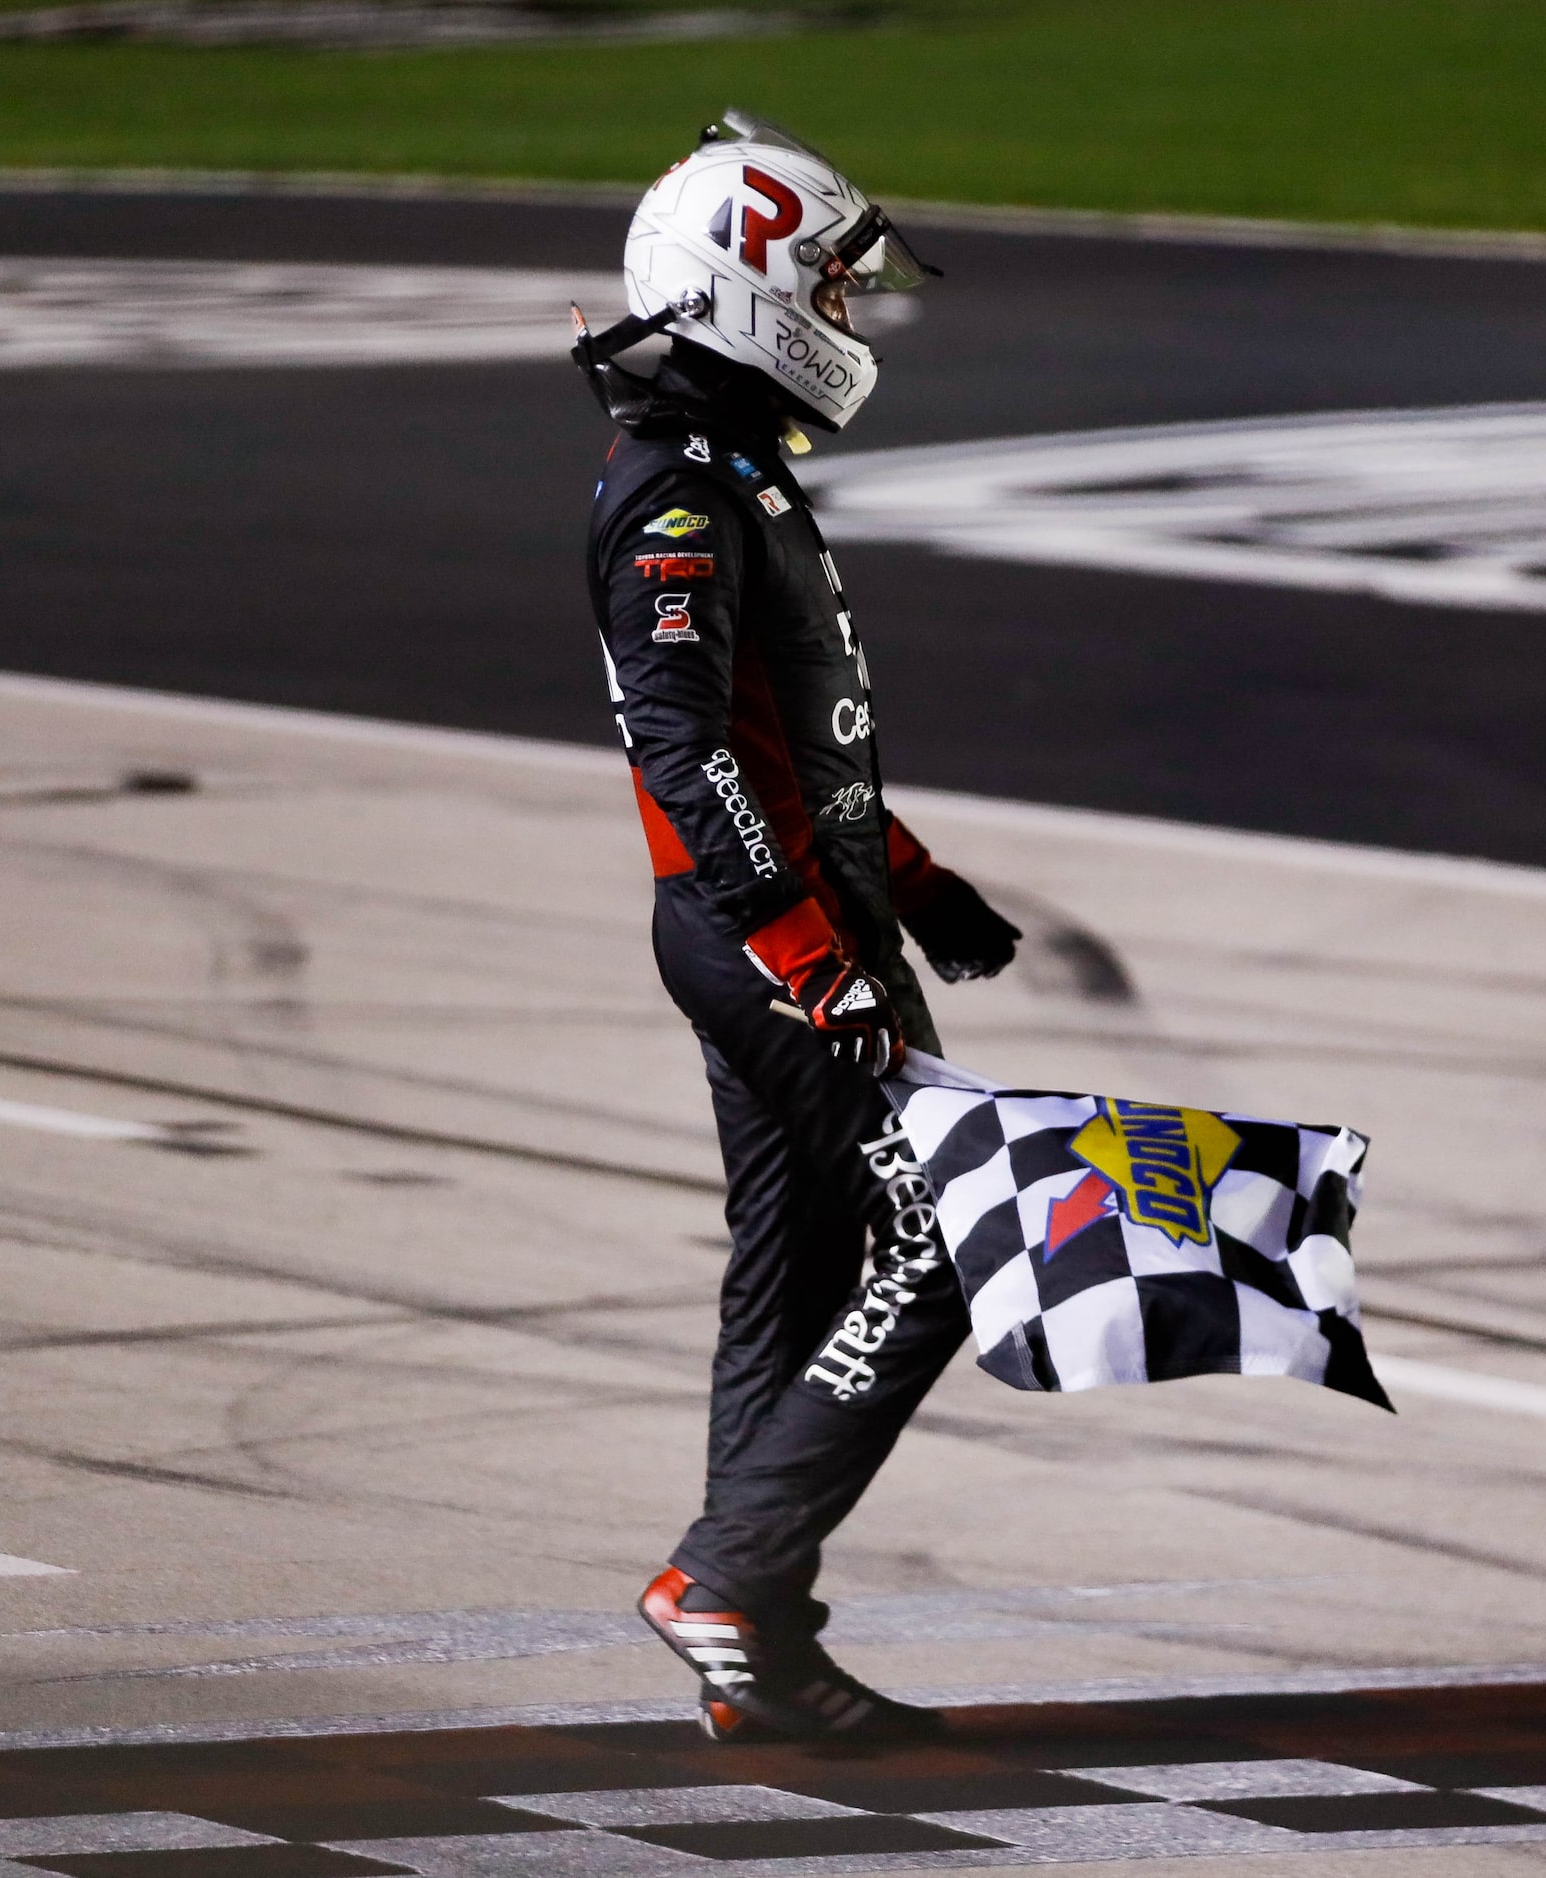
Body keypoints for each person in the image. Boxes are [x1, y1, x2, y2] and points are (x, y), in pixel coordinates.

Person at [578, 111, 1022, 1743]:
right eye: (829, 289)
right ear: (746, 288)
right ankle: (724, 1572)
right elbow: (684, 753)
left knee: (795, 1265)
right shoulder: (677, 498)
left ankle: (751, 1648)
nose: (849, 317)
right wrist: (810, 952)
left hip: (788, 919)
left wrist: (916, 890)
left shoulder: (731, 464)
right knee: (955, 1235)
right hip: (762, 937)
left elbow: (792, 748)